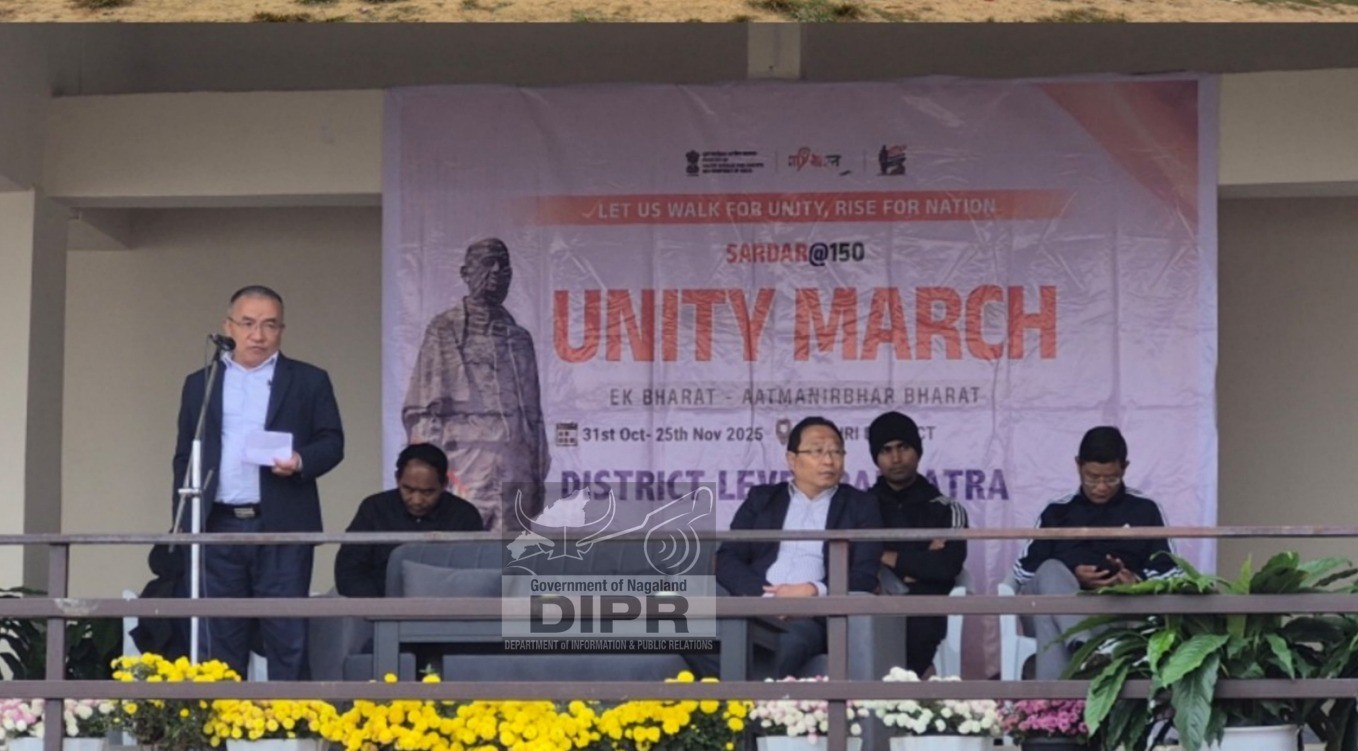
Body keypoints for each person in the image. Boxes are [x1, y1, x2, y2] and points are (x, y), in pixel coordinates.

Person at [172, 285, 344, 681]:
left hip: (281, 523)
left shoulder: (308, 380)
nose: (258, 335)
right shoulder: (201, 382)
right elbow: (185, 455)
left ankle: (289, 719)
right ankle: (223, 719)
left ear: (282, 329)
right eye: (248, 323)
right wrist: (185, 522)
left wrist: (300, 461)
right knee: (219, 640)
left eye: (269, 325)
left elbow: (332, 442)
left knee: (287, 635)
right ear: (228, 326)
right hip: (217, 523)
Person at [715, 416, 883, 678]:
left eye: (836, 451)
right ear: (792, 460)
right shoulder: (763, 499)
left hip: (809, 615)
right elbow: (727, 558)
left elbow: (865, 574)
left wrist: (813, 591)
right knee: (684, 635)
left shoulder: (861, 506)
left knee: (788, 645)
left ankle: (735, 694)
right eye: (817, 451)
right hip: (755, 605)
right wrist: (766, 599)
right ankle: (744, 690)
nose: (829, 460)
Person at [402, 238, 550, 533]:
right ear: (465, 273)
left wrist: (536, 475)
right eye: (487, 263)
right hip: (463, 465)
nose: (496, 271)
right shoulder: (444, 330)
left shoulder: (519, 339)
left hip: (515, 470)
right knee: (463, 549)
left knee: (514, 553)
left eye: (503, 265)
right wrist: (431, 473)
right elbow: (423, 412)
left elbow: (534, 419)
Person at [1012, 426, 1179, 680]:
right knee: (1050, 572)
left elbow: (1172, 571)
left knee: (1051, 615)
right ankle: (1086, 649)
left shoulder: (1145, 510)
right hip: (1060, 603)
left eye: (1111, 479)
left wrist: (1137, 580)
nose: (1101, 487)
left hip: (1116, 612)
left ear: (1125, 468)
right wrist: (1071, 575)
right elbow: (1023, 573)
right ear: (1078, 465)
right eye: (1091, 478)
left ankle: (1054, 700)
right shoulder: (1057, 511)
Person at [866, 411, 968, 676]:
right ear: (876, 458)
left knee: (920, 623)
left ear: (918, 451)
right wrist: (919, 561)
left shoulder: (945, 509)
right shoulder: (861, 507)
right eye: (886, 450)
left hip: (924, 610)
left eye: (904, 447)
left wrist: (886, 556)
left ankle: (901, 695)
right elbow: (854, 558)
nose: (896, 458)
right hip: (872, 602)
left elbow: (947, 566)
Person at [335, 443, 484, 598]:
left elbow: (474, 574)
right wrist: (383, 605)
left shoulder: (463, 515)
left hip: (444, 605)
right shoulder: (374, 508)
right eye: (408, 489)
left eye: (427, 492)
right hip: (379, 605)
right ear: (397, 479)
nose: (417, 500)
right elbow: (348, 572)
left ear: (444, 484)